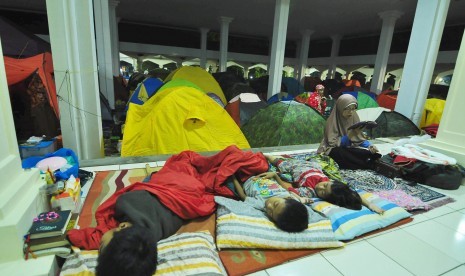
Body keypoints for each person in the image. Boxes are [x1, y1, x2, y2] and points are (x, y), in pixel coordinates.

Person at [96, 190, 183, 276]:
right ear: (122, 226)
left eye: (100, 248)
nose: (99, 244)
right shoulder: (126, 203)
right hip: (166, 193)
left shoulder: (125, 204)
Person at [265, 155, 384, 214]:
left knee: (276, 161)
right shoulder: (334, 184)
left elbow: (288, 188)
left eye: (322, 192)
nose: (320, 187)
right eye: (325, 185)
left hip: (294, 167)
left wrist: (276, 177)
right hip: (313, 166)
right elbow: (351, 193)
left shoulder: (310, 191)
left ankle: (266, 155)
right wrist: (369, 204)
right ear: (331, 182)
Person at [317, 94, 381, 170]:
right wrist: (348, 137)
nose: (351, 112)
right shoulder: (332, 121)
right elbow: (332, 142)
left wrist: (369, 145)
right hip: (331, 149)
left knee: (364, 152)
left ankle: (369, 161)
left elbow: (358, 137)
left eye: (353, 109)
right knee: (341, 153)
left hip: (348, 147)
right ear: (340, 108)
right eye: (347, 109)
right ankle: (365, 164)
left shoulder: (354, 116)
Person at [232, 172, 310, 232]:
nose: (269, 206)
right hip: (264, 174)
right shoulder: (290, 198)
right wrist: (275, 175)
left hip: (246, 179)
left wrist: (233, 178)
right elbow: (286, 189)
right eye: (275, 204)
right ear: (288, 198)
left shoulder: (260, 203)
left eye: (271, 213)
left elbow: (243, 196)